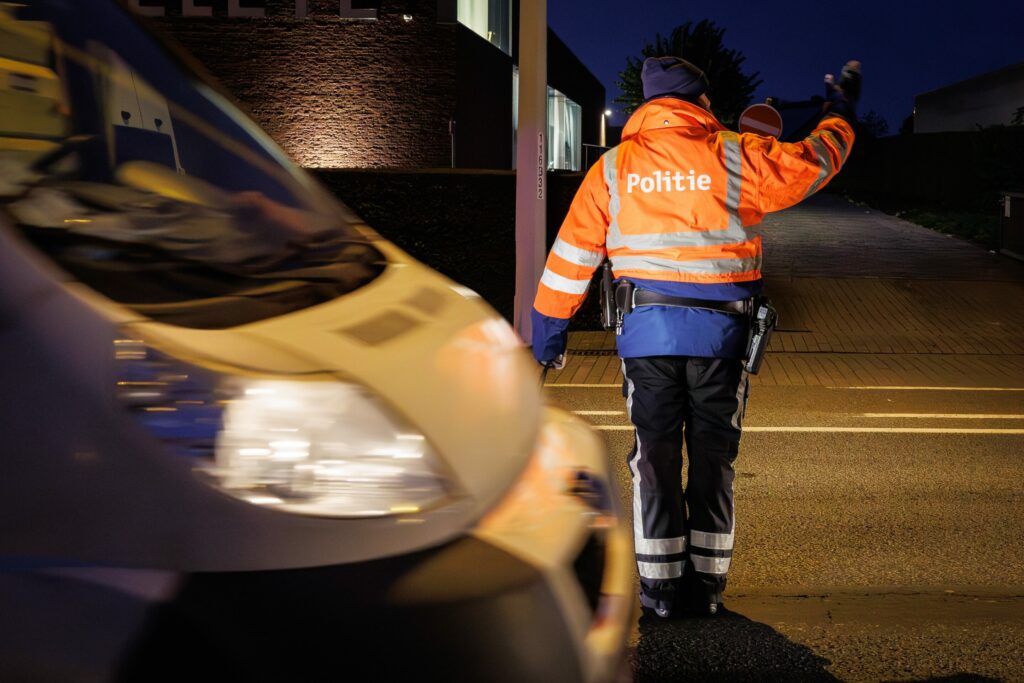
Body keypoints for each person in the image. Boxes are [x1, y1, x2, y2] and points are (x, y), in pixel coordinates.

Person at [531, 57, 859, 617]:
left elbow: (570, 258)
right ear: (701, 102)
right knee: (713, 457)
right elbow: (814, 162)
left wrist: (549, 335)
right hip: (723, 340)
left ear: (649, 106)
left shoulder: (613, 167)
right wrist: (841, 113)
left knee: (653, 459)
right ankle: (706, 588)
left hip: (646, 339)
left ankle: (660, 593)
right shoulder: (736, 154)